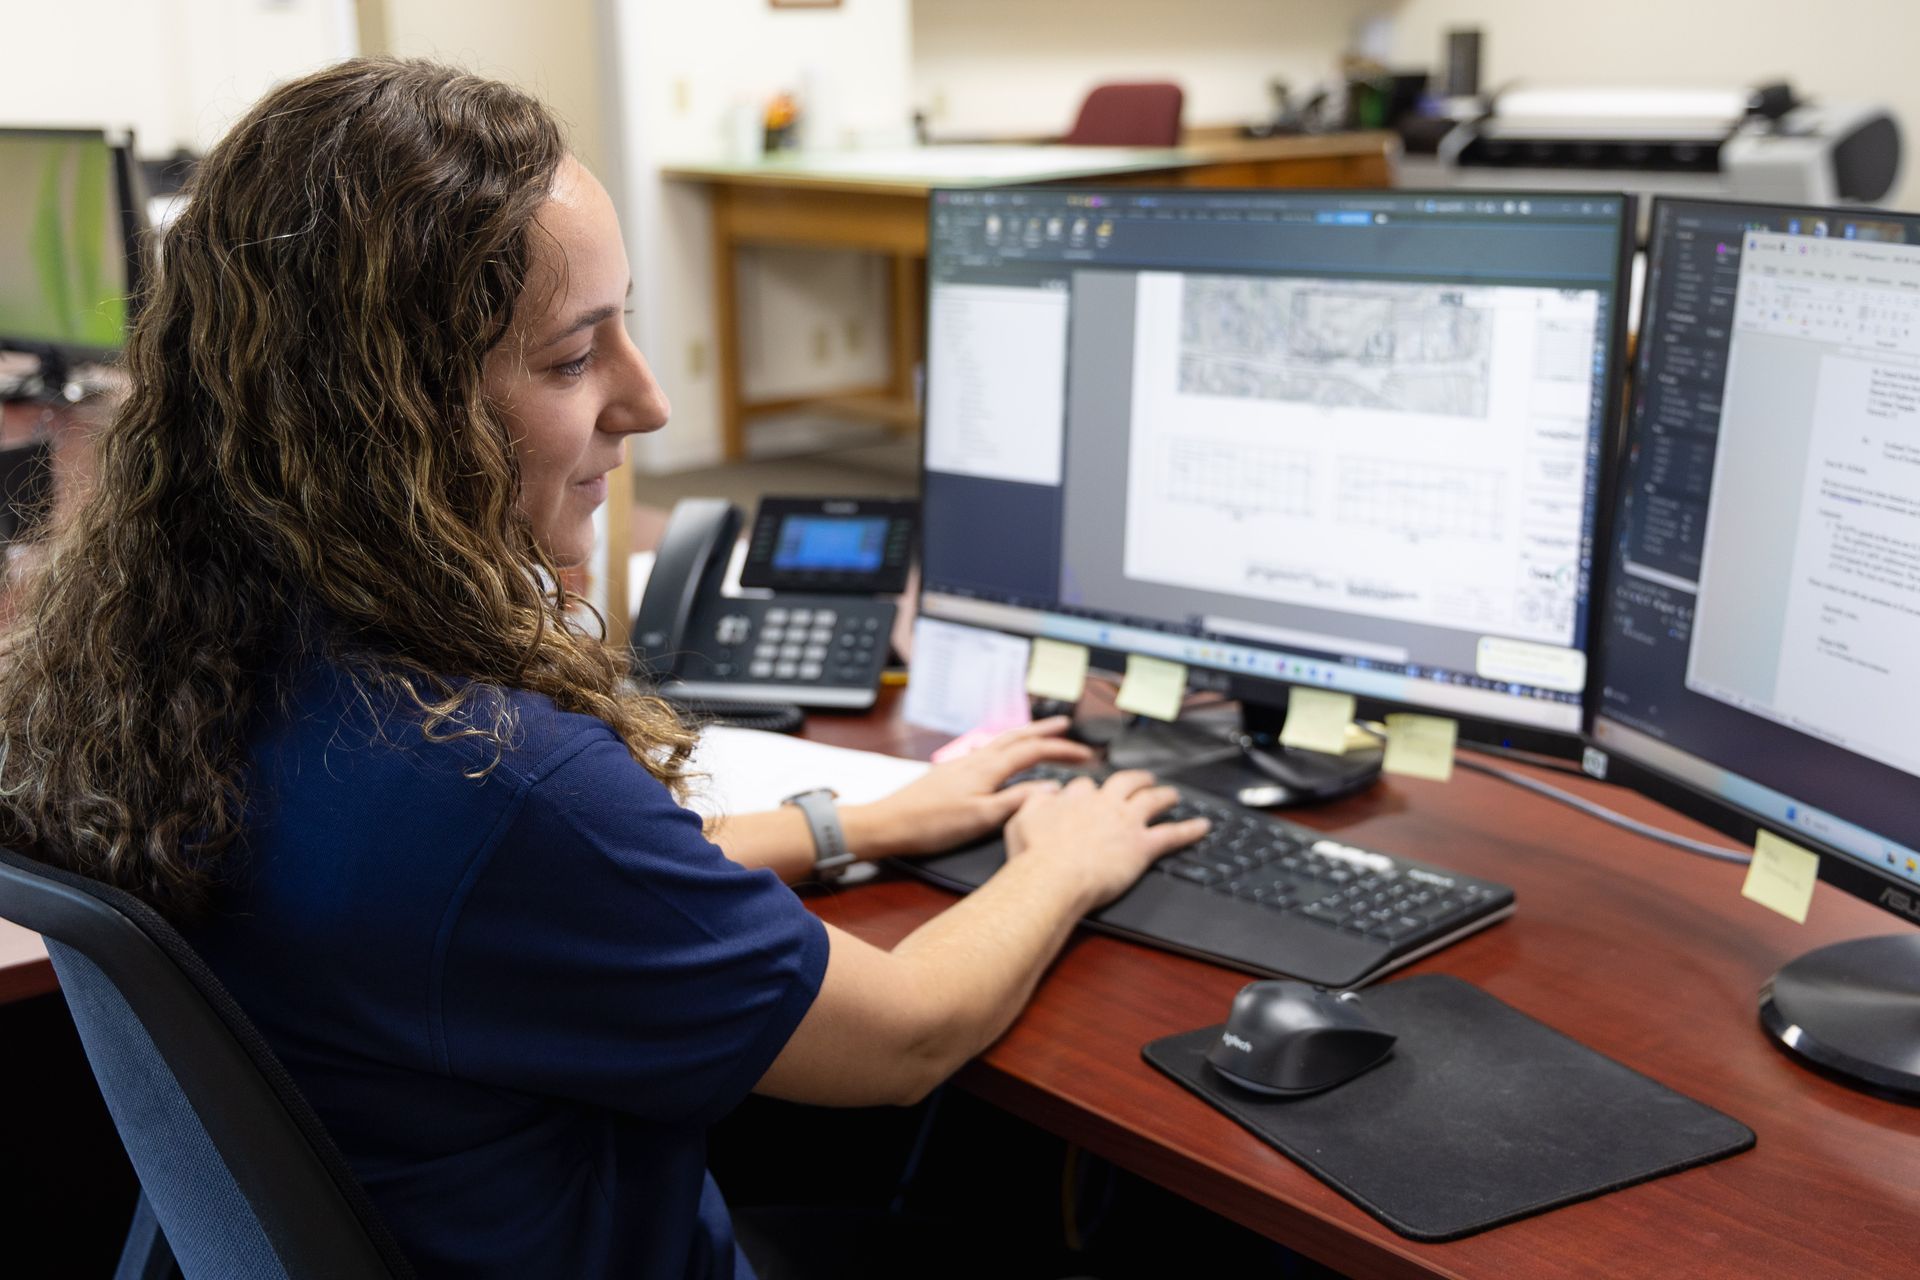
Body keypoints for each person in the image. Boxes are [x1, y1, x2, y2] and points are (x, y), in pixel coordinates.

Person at [0, 58, 1209, 1279]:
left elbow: (508, 906)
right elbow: (903, 1039)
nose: (652, 400)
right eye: (577, 358)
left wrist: (848, 821)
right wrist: (1063, 863)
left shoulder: (178, 653)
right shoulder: (486, 774)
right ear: (394, 415)